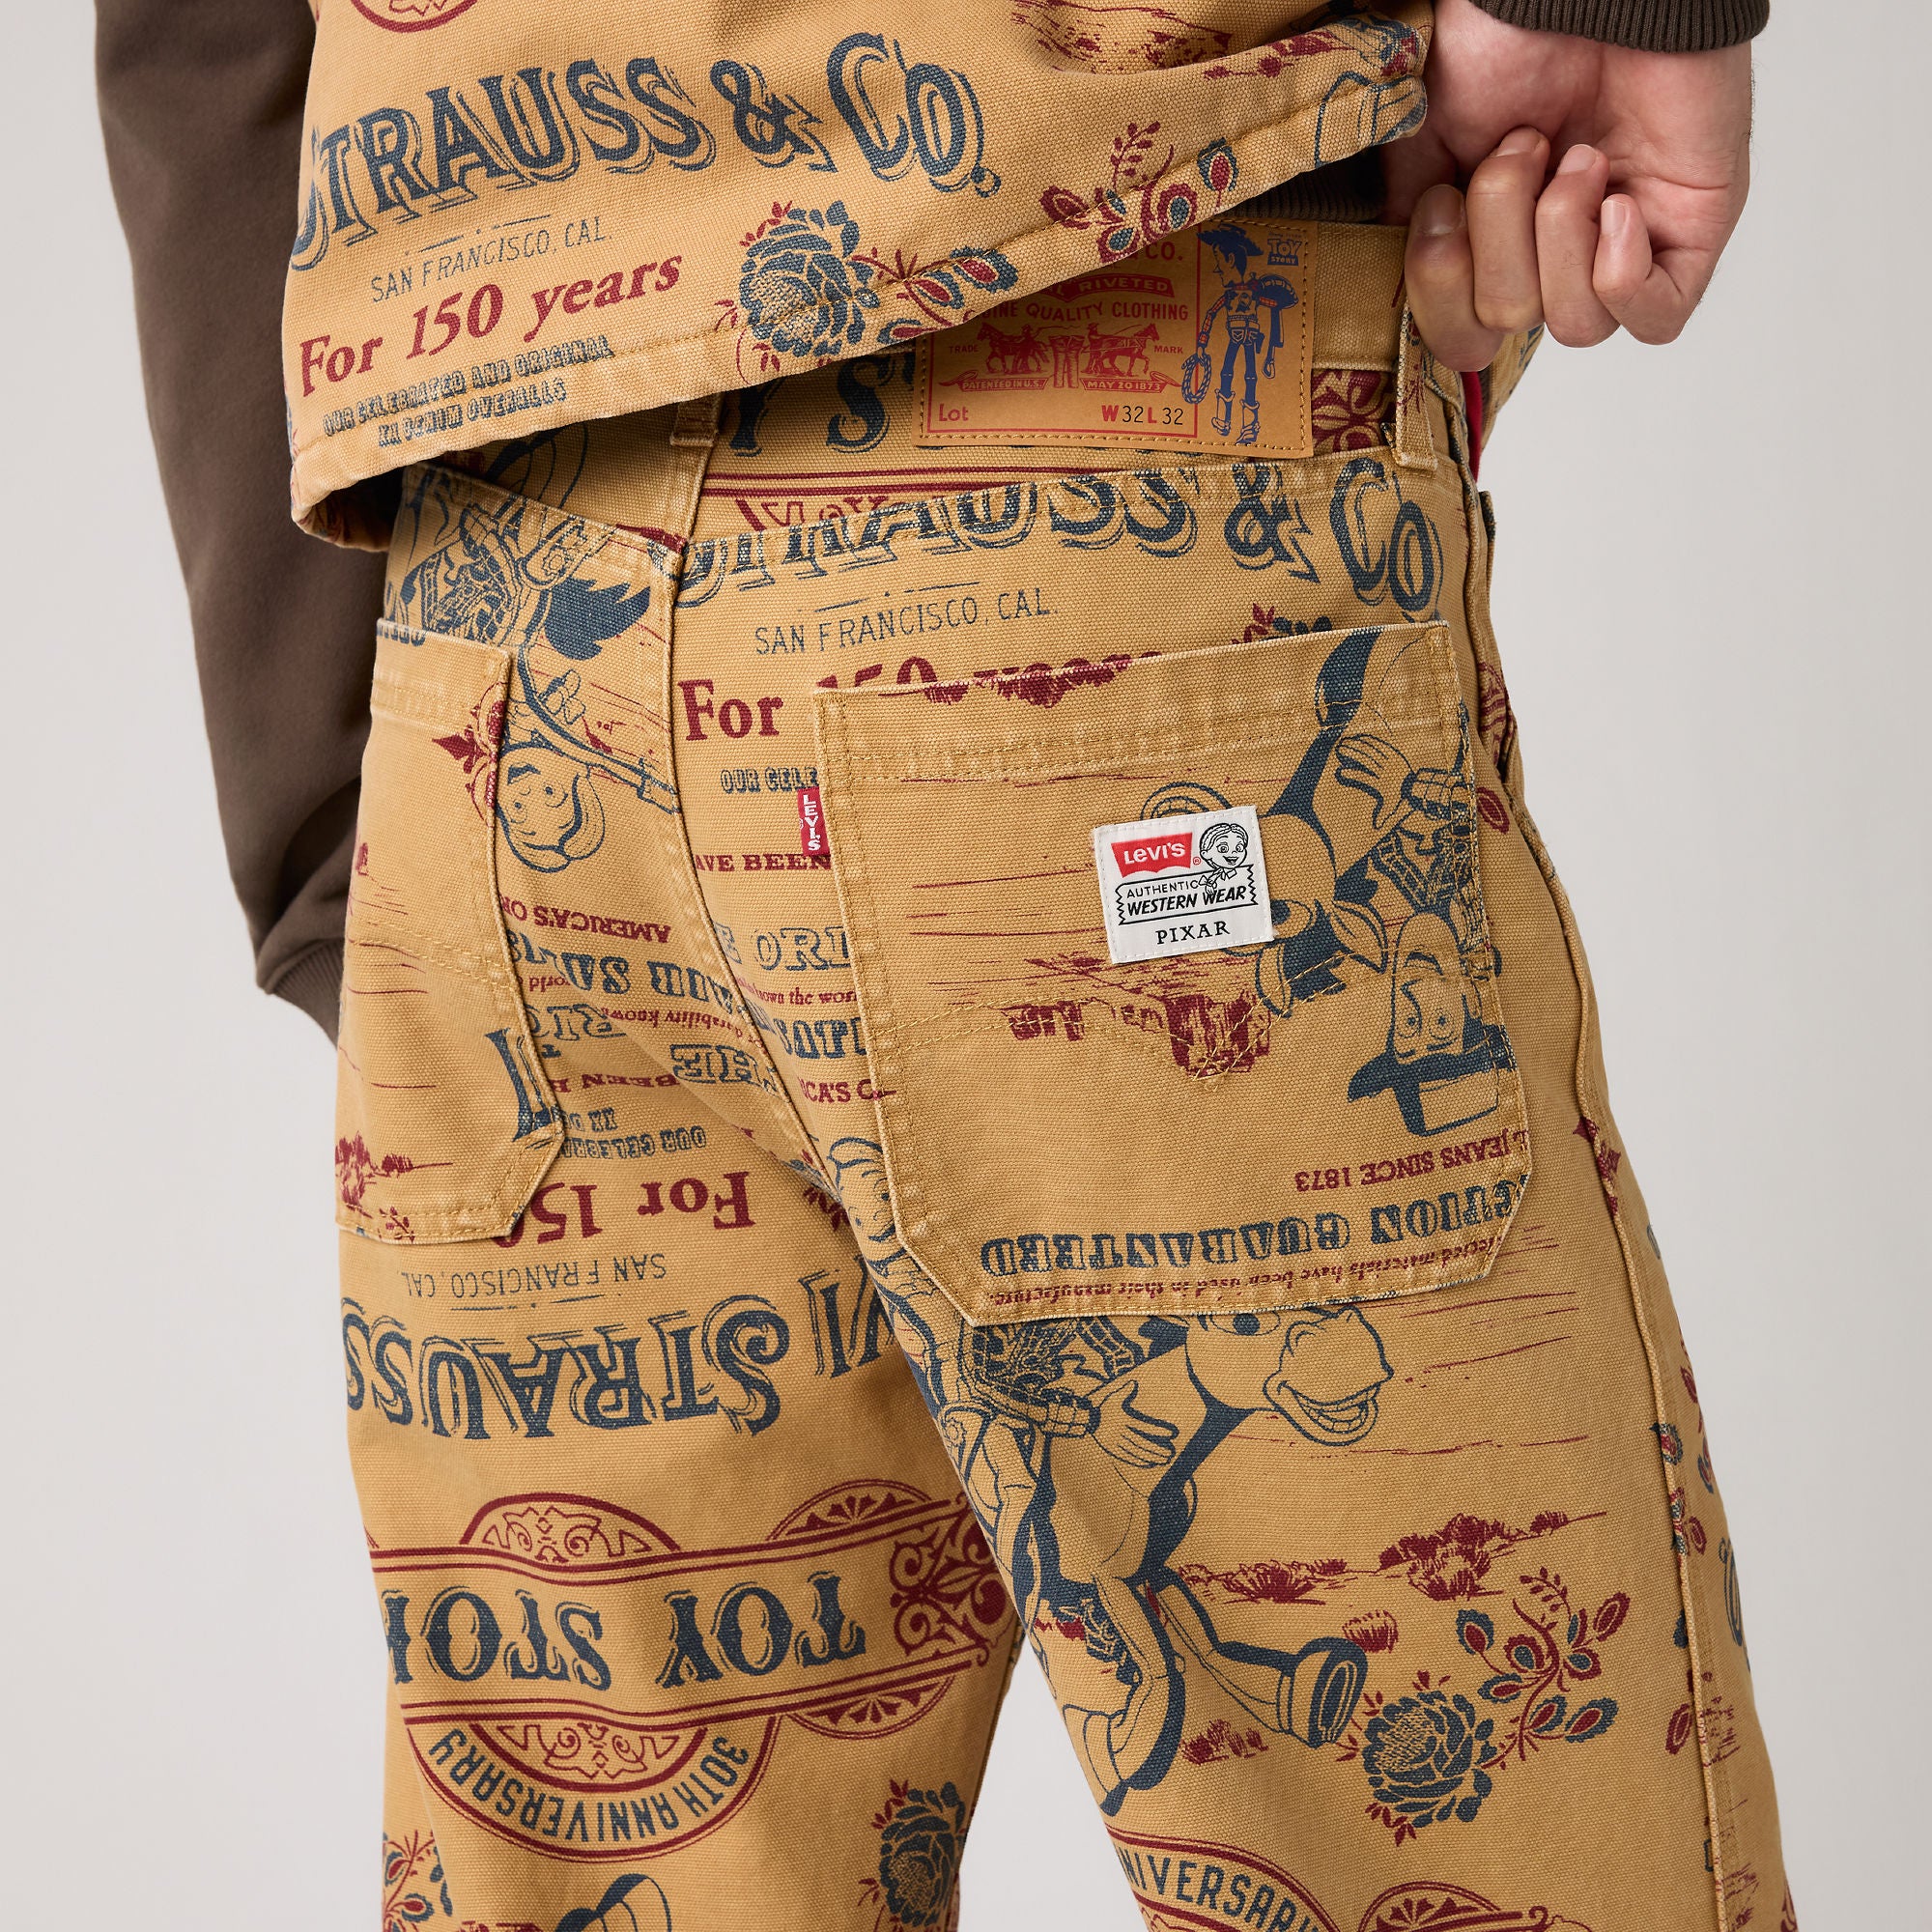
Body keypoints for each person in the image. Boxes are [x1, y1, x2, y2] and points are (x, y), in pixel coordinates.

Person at [97, 4, 1789, 1929]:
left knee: (600, 1872)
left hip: (496, 620)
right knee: (1482, 1836)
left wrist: (342, 809)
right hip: (1091, 439)